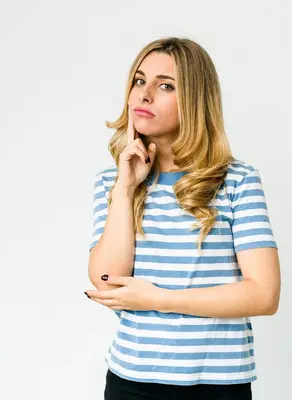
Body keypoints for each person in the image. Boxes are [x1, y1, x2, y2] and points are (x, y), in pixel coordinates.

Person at [85, 37, 281, 400]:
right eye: (139, 81)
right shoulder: (113, 184)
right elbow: (108, 283)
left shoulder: (236, 181)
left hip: (218, 386)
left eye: (165, 86)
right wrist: (126, 189)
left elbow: (264, 295)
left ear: (194, 100)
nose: (144, 95)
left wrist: (159, 298)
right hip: (132, 384)